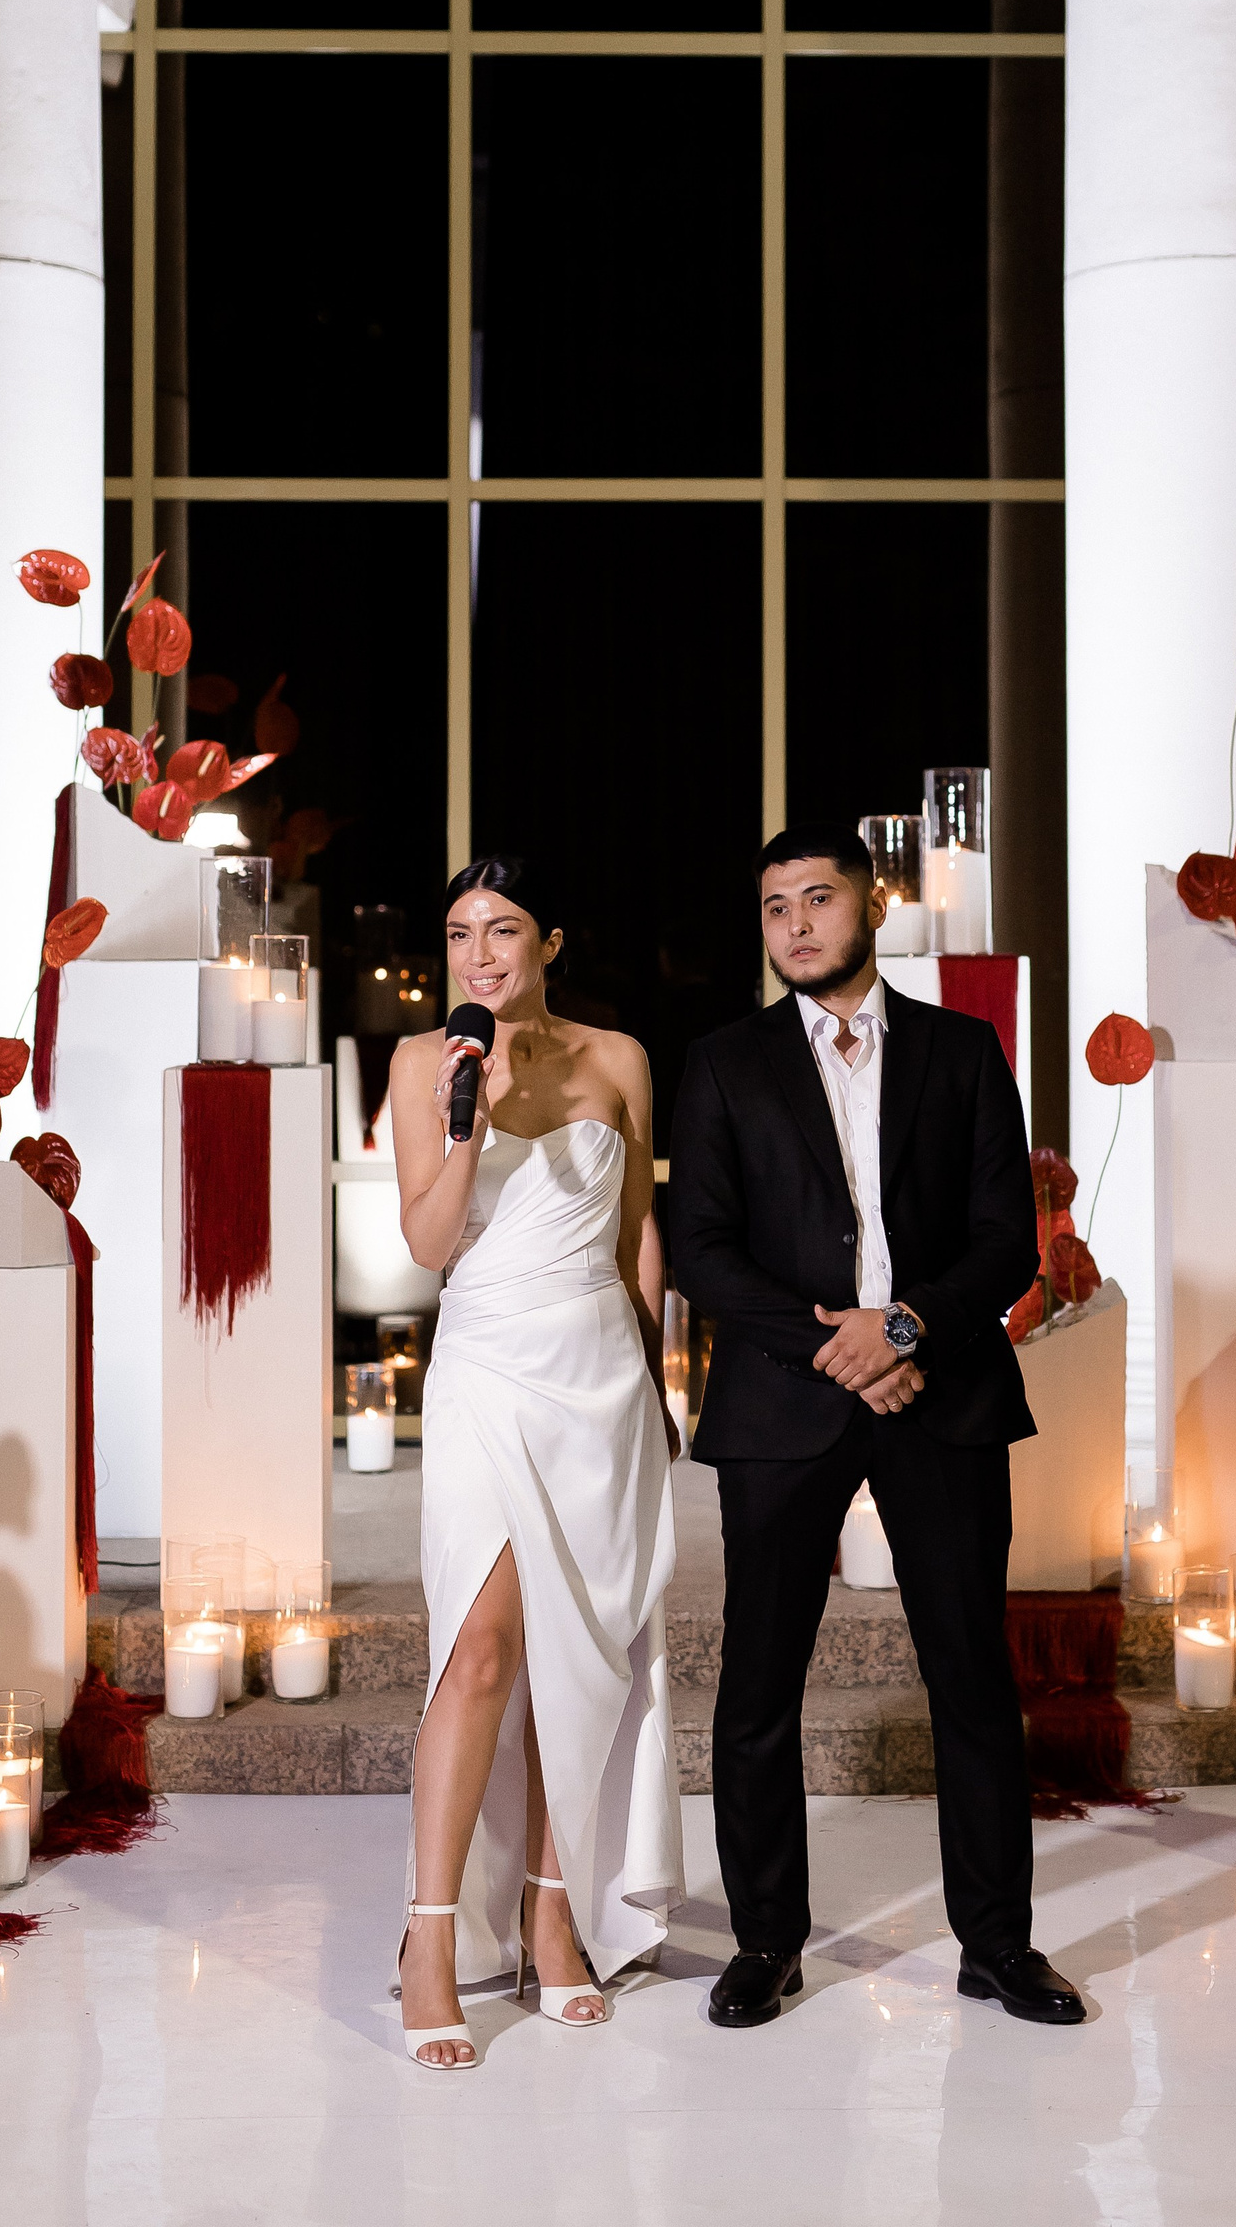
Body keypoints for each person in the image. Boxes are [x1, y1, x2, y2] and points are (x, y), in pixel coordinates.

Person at [671, 824, 1086, 2031]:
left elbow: (1006, 1241)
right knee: (758, 1685)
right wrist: (837, 1348)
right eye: (775, 907)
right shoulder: (724, 1063)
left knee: (971, 1675)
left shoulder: (963, 1050)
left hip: (939, 1391)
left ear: (873, 906)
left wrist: (903, 1331)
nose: (796, 924)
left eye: (819, 898)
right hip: (782, 1401)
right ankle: (765, 1942)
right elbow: (702, 1250)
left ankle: (998, 1945)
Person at [386, 855, 684, 2068]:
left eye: (502, 930)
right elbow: (427, 1242)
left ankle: (553, 1914)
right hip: (486, 1374)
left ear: (548, 943)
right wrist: (465, 1118)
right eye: (460, 934)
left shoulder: (619, 1059)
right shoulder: (425, 1062)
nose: (480, 955)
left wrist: (656, 1390)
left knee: (584, 1654)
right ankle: (430, 1937)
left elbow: (635, 1237)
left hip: (600, 1380)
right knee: (481, 1651)